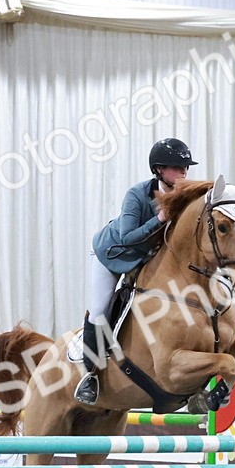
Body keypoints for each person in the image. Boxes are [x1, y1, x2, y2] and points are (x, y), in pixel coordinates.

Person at [75, 138, 198, 405]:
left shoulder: (184, 193)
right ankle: (90, 376)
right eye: (177, 167)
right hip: (111, 255)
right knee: (100, 309)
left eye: (185, 167)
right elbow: (128, 237)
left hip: (144, 259)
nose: (184, 172)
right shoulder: (136, 195)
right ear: (159, 169)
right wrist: (160, 219)